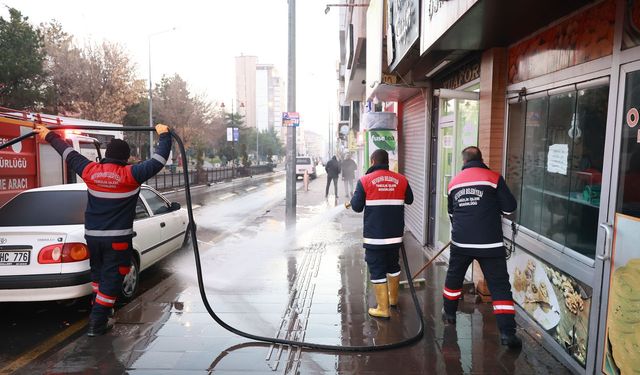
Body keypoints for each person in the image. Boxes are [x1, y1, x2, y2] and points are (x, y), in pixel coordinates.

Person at [34, 124, 172, 337]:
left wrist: (49, 135)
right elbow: (159, 160)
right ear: (125, 158)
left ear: (106, 156)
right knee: (113, 279)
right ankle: (97, 322)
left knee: (98, 277)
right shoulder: (131, 174)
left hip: (93, 237)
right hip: (117, 240)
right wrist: (165, 135)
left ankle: (104, 313)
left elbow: (68, 153)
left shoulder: (90, 170)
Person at [443, 146, 521, 348]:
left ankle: (449, 314)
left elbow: (452, 214)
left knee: (454, 278)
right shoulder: (494, 178)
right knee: (499, 287)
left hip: (461, 242)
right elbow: (510, 208)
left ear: (463, 161)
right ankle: (507, 334)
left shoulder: (453, 183)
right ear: (481, 158)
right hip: (490, 243)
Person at [349, 149, 413, 319]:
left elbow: (356, 207)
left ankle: (383, 309)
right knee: (393, 266)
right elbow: (410, 200)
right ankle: (393, 300)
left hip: (374, 238)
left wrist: (356, 197)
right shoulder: (401, 180)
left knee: (377, 270)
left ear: (372, 161)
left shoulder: (364, 181)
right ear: (387, 162)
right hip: (395, 237)